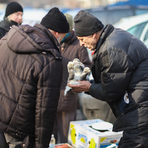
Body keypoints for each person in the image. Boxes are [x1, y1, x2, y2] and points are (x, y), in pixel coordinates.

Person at [68, 10, 148, 148]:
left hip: (140, 112)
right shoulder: (113, 38)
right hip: (137, 107)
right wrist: (88, 82)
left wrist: (87, 87)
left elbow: (111, 91)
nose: (81, 44)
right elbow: (113, 81)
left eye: (82, 39)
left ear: (93, 34)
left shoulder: (111, 49)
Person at [0, 7, 70, 148]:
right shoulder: (50, 59)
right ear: (56, 33)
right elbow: (44, 111)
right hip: (18, 131)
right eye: (63, 36)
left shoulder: (8, 38)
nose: (61, 41)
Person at [46, 13, 91, 143]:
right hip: (51, 95)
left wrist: (78, 73)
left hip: (68, 98)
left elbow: (87, 65)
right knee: (50, 135)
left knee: (67, 136)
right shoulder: (53, 41)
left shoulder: (78, 45)